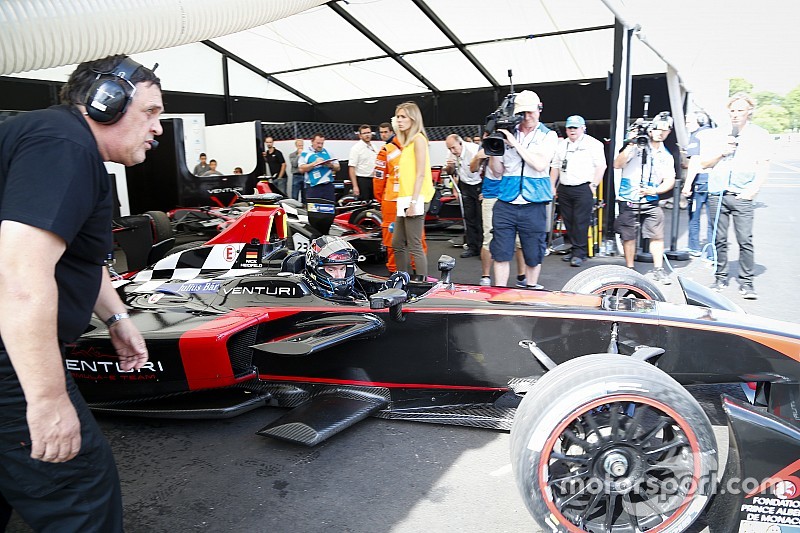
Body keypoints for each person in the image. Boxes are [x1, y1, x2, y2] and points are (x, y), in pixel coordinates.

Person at [0, 54, 157, 532]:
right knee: (80, 494)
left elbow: (75, 259)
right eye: (150, 112)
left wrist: (117, 318)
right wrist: (47, 402)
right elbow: (20, 277)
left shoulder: (60, 142)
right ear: (105, 103)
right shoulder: (63, 147)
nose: (158, 127)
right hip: (7, 358)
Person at [701, 93, 771, 299]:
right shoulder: (718, 134)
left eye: (740, 110)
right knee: (719, 239)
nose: (735, 114)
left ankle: (746, 282)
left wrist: (753, 190)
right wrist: (722, 152)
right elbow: (704, 163)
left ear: (749, 111)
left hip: (742, 193)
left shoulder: (760, 135)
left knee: (744, 239)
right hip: (718, 193)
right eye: (732, 110)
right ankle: (720, 277)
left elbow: (764, 165)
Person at [487, 90, 558, 289]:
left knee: (533, 252)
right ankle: (500, 293)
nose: (527, 117)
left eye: (530, 112)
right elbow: (498, 171)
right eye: (522, 113)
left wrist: (514, 143)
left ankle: (531, 290)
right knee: (500, 251)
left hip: (533, 203)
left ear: (539, 108)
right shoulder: (508, 132)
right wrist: (494, 147)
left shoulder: (548, 135)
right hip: (506, 201)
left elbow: (540, 164)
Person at [612, 112, 676, 284]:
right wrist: (631, 143)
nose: (660, 133)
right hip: (629, 198)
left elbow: (669, 179)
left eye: (665, 130)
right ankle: (630, 269)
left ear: (669, 132)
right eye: (657, 129)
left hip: (651, 200)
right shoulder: (637, 146)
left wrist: (655, 190)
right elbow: (617, 164)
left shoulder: (666, 155)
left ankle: (658, 269)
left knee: (657, 234)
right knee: (628, 234)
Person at [470, 132, 527, 287]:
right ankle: (486, 276)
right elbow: (473, 169)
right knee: (489, 237)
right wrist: (479, 156)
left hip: (512, 194)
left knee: (519, 239)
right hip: (491, 195)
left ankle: (522, 276)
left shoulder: (515, 146)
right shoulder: (487, 148)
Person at [549, 115, 606, 267]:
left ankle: (580, 253)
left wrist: (593, 185)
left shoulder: (593, 144)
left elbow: (601, 166)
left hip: (583, 187)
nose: (572, 130)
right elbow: (555, 166)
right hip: (565, 187)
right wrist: (552, 185)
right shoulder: (561, 145)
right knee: (568, 221)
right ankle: (575, 249)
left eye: (575, 127)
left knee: (581, 221)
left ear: (583, 128)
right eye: (569, 128)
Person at [393, 102, 435, 279]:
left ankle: (422, 282)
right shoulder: (408, 142)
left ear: (413, 118)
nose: (399, 120)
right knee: (397, 243)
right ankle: (402, 278)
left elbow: (420, 174)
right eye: (398, 117)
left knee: (414, 244)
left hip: (416, 197)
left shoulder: (418, 139)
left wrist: (414, 202)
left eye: (403, 117)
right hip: (406, 197)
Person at [444, 134, 483, 258]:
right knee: (469, 217)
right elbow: (451, 173)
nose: (452, 151)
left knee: (481, 219)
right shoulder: (453, 154)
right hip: (465, 184)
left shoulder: (473, 150)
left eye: (453, 148)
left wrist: (485, 190)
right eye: (449, 149)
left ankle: (483, 248)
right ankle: (472, 247)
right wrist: (449, 167)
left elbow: (486, 170)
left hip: (479, 184)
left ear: (460, 143)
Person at [681, 111, 712, 257]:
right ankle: (712, 252)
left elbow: (695, 162)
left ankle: (693, 246)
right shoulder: (714, 134)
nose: (687, 125)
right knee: (713, 220)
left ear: (699, 121)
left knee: (695, 215)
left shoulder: (697, 135)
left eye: (689, 121)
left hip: (700, 182)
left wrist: (687, 185)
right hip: (715, 182)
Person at [298, 133, 340, 203]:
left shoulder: (328, 152)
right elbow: (301, 169)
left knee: (329, 208)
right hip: (313, 186)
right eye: (318, 143)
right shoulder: (305, 153)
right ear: (312, 141)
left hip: (327, 185)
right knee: (314, 210)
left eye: (322, 143)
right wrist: (314, 164)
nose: (320, 145)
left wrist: (330, 165)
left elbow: (338, 168)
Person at [348, 124, 377, 201]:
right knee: (365, 204)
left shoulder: (374, 147)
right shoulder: (356, 148)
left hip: (374, 180)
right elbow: (352, 168)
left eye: (369, 132)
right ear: (360, 136)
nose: (367, 135)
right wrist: (355, 186)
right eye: (364, 133)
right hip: (363, 180)